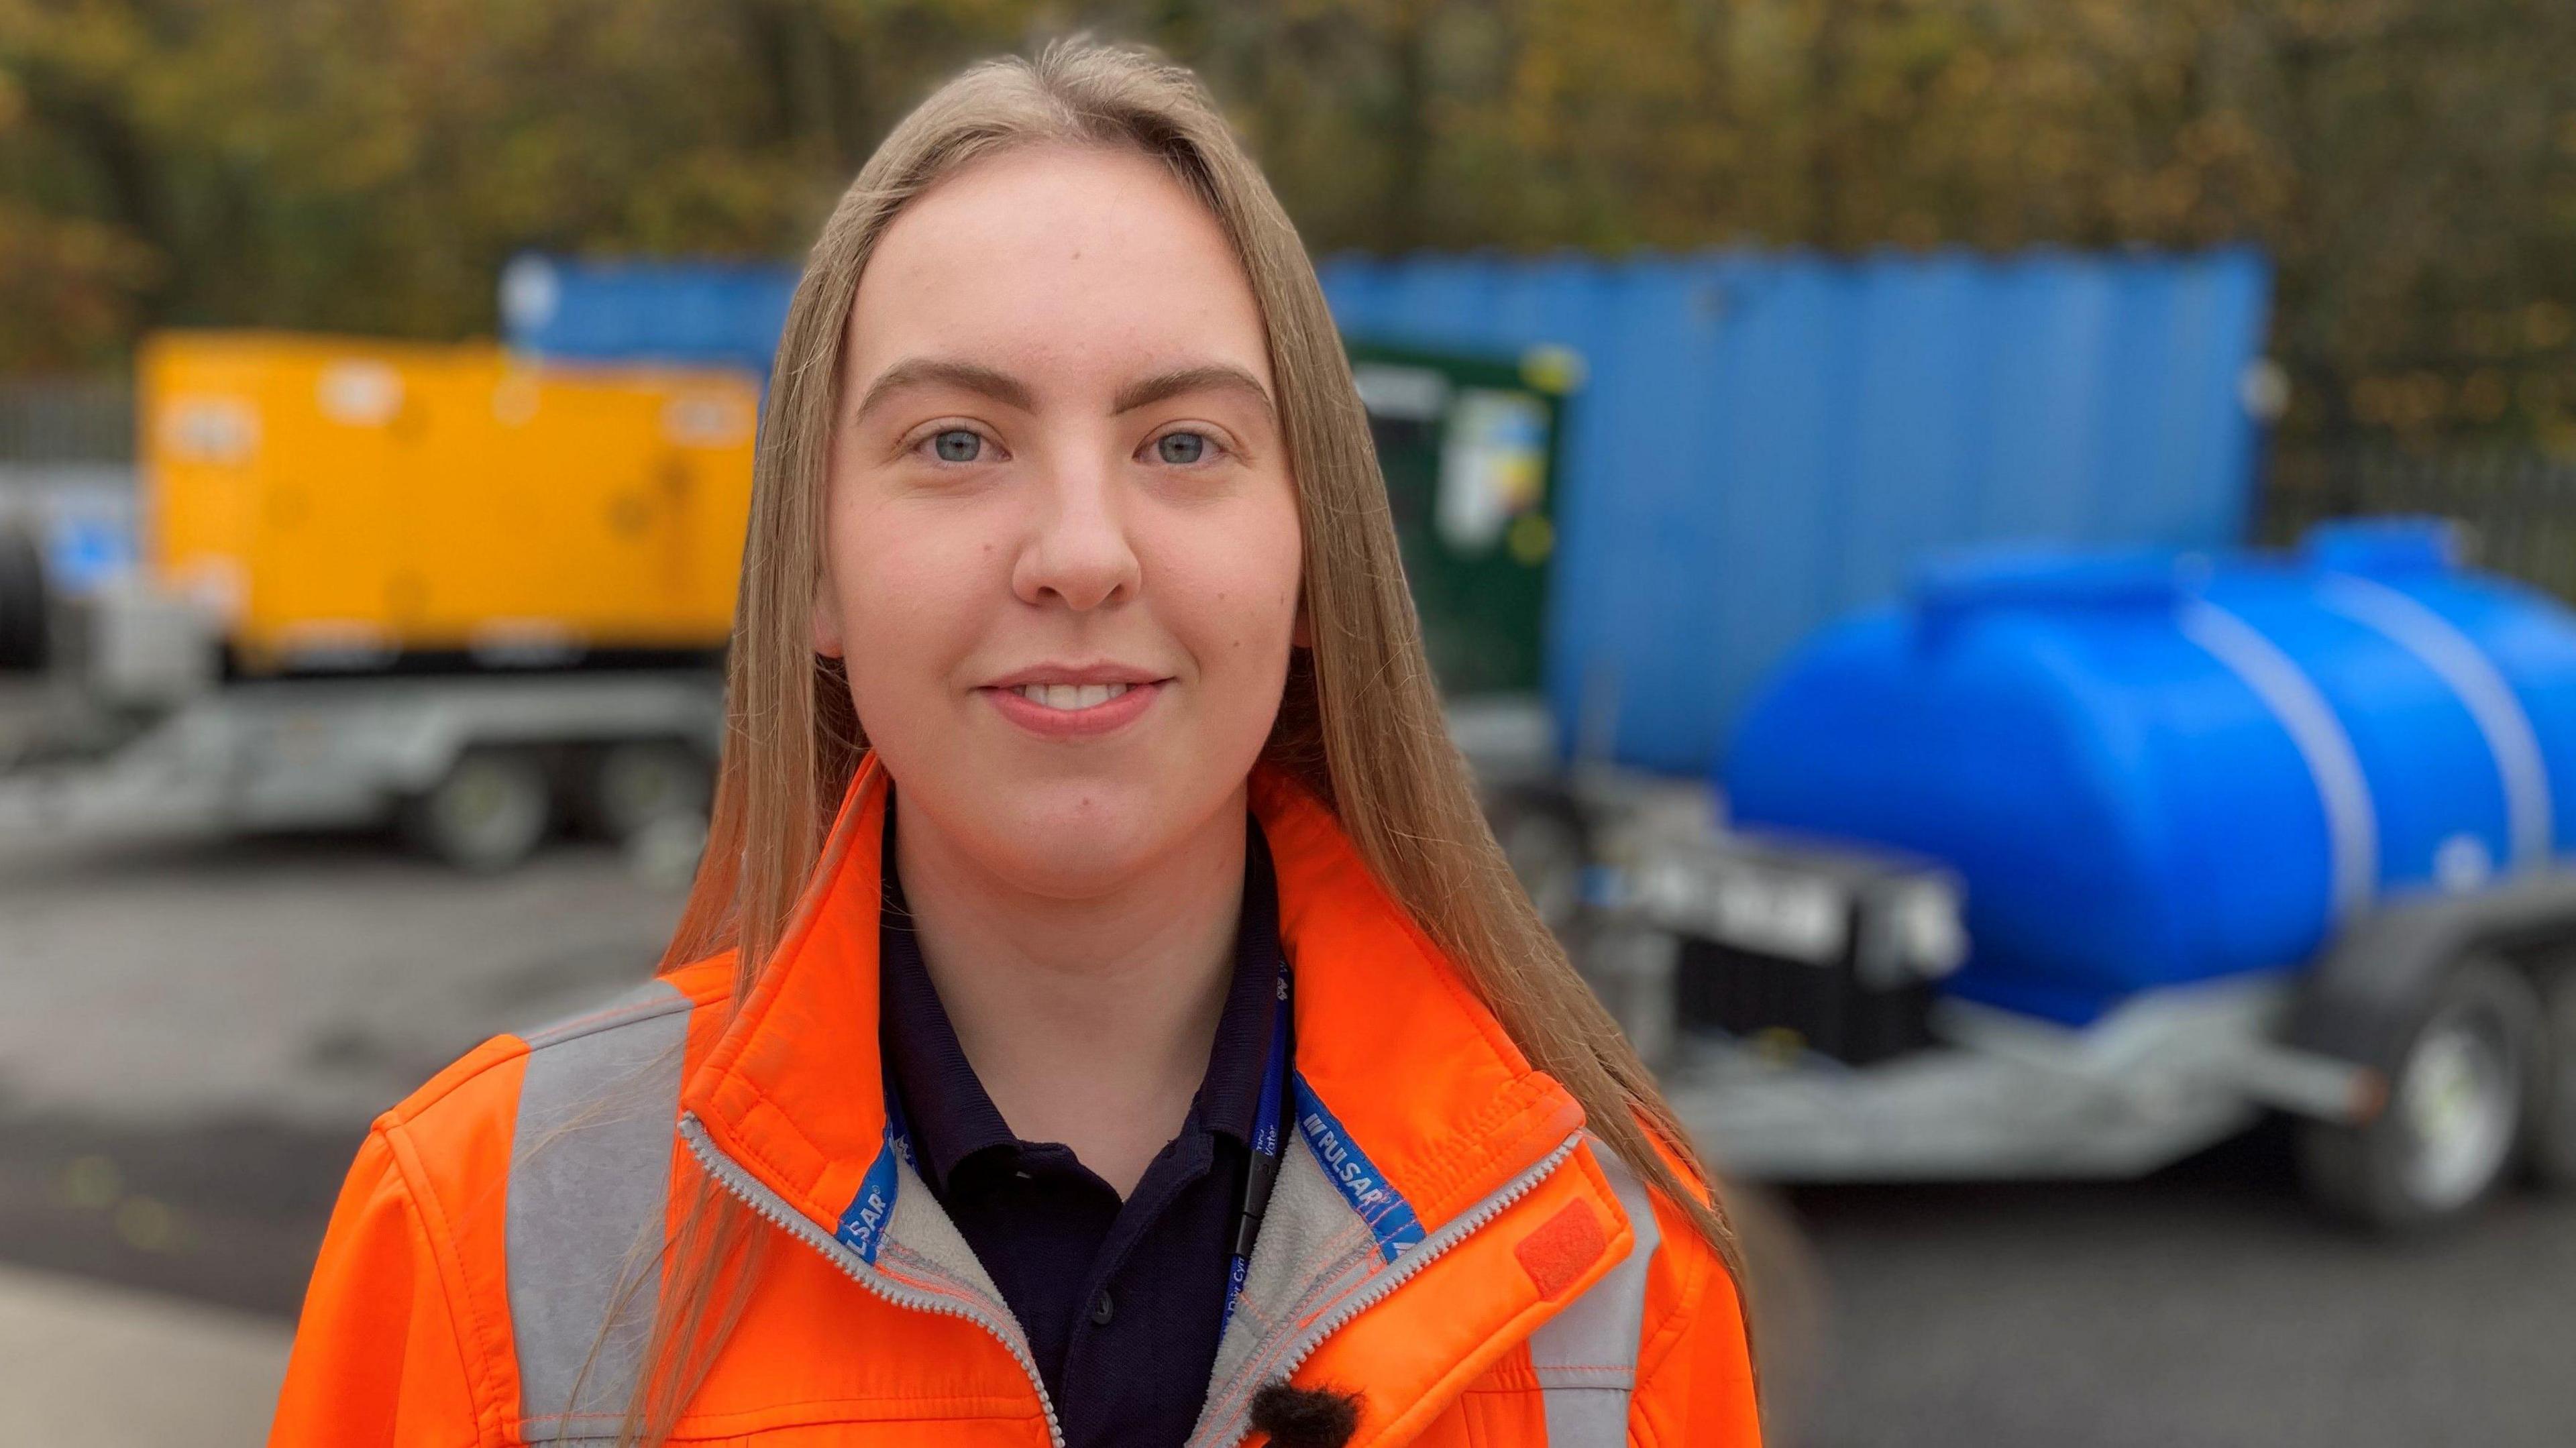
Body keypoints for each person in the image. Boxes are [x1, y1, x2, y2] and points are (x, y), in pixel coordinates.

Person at [268, 36, 1758, 1448]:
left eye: (1183, 444)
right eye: (958, 443)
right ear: (817, 573)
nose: (1081, 552)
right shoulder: (483, 1225)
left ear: (1314, 564)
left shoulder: (1612, 1262)